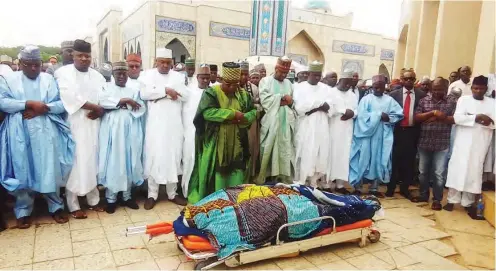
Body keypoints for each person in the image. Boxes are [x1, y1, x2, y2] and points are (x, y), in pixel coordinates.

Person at [0, 46, 75, 228]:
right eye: (29, 65)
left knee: (49, 167)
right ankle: (23, 211)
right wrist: (27, 103)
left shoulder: (49, 79)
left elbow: (60, 104)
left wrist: (44, 108)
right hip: (19, 133)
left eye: (37, 64)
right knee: (23, 169)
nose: (34, 69)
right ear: (21, 63)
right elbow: (3, 102)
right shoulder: (8, 79)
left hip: (46, 132)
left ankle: (56, 207)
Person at [187, 62, 256, 204]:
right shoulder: (211, 93)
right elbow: (206, 113)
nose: (231, 87)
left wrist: (244, 118)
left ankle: (235, 203)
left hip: (237, 143)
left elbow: (253, 112)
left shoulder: (243, 95)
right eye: (227, 84)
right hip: (216, 143)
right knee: (216, 174)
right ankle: (216, 203)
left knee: (237, 172)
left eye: (234, 84)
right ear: (221, 80)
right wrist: (232, 114)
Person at [55, 39, 106, 219]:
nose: (84, 59)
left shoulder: (98, 76)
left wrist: (101, 110)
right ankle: (73, 203)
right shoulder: (63, 73)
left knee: (93, 160)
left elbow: (104, 97)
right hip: (75, 124)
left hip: (94, 124)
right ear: (73, 55)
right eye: (80, 55)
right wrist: (96, 107)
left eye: (87, 56)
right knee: (75, 162)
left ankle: (94, 201)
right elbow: (69, 96)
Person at [139, 48, 188, 209]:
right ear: (156, 61)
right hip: (155, 126)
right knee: (155, 156)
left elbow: (185, 95)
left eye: (168, 62)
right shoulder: (147, 75)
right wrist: (167, 91)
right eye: (162, 62)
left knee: (173, 156)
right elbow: (145, 94)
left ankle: (172, 194)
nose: (165, 65)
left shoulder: (179, 76)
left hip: (174, 125)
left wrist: (160, 95)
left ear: (172, 63)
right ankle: (152, 194)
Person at [444, 75, 495, 218]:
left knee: (474, 171)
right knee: (457, 169)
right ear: (472, 88)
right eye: (476, 88)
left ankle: (467, 203)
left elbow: (493, 121)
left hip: (481, 142)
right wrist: (477, 117)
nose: (478, 91)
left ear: (486, 89)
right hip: (462, 141)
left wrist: (484, 119)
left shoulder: (492, 103)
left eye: (481, 88)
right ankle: (451, 200)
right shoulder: (463, 99)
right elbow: (458, 118)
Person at [98, 61, 145, 214]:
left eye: (124, 74)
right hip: (113, 132)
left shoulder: (133, 90)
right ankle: (111, 199)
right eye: (118, 73)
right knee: (114, 162)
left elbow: (140, 108)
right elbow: (103, 102)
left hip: (130, 130)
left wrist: (127, 104)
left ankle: (127, 197)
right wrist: (123, 101)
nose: (121, 76)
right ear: (113, 75)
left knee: (129, 160)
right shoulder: (107, 88)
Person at [349, 75, 404, 197]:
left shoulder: (389, 100)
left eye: (380, 86)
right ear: (372, 86)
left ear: (385, 87)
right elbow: (361, 117)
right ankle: (357, 186)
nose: (378, 88)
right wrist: (378, 115)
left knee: (378, 159)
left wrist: (388, 117)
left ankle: (374, 187)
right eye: (375, 86)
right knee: (363, 159)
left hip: (381, 136)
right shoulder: (366, 99)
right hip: (366, 135)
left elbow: (398, 114)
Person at [411, 78, 456, 210]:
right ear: (431, 88)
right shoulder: (424, 100)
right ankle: (423, 195)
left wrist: (437, 118)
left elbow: (454, 119)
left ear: (446, 89)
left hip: (442, 143)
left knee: (438, 173)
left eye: (440, 89)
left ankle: (437, 199)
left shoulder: (451, 101)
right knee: (423, 172)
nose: (437, 92)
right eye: (435, 89)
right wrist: (433, 113)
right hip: (424, 142)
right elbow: (417, 117)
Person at [294, 61, 333, 187]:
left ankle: (313, 181)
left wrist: (314, 107)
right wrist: (319, 105)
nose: (317, 78)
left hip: (322, 124)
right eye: (315, 75)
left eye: (319, 75)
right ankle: (301, 180)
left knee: (320, 152)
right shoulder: (299, 87)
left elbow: (330, 106)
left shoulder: (326, 88)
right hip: (306, 125)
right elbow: (300, 107)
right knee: (305, 151)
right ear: (309, 74)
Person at [387, 70, 426, 198]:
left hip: (412, 132)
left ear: (415, 80)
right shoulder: (393, 95)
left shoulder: (421, 95)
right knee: (394, 160)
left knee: (409, 161)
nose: (409, 81)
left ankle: (405, 188)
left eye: (412, 79)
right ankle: (390, 188)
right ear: (402, 80)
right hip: (397, 131)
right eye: (406, 79)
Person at [257, 56, 296, 184]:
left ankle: (282, 177)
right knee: (268, 148)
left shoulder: (289, 83)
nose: (284, 75)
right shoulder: (265, 81)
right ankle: (266, 176)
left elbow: (292, 102)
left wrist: (285, 101)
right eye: (282, 72)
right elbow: (265, 100)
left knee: (285, 149)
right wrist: (282, 97)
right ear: (275, 69)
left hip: (285, 122)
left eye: (286, 73)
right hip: (271, 122)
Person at [326, 71, 358, 194]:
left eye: (349, 84)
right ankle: (327, 184)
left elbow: (357, 110)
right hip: (333, 128)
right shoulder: (331, 92)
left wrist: (352, 113)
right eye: (345, 83)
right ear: (339, 81)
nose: (347, 86)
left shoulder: (352, 95)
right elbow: (330, 109)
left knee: (344, 156)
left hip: (347, 130)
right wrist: (344, 111)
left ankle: (340, 185)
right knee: (331, 155)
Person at [182, 64, 210, 198]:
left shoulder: (213, 92)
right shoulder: (188, 92)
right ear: (197, 77)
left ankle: (203, 191)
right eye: (202, 78)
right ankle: (187, 191)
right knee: (189, 161)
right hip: (191, 133)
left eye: (207, 78)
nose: (205, 81)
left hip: (207, 134)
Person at [239, 61, 261, 182]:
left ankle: (249, 176)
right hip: (236, 122)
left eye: (246, 74)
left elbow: (259, 107)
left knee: (251, 149)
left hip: (251, 124)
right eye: (241, 74)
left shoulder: (254, 88)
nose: (243, 77)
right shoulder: (232, 87)